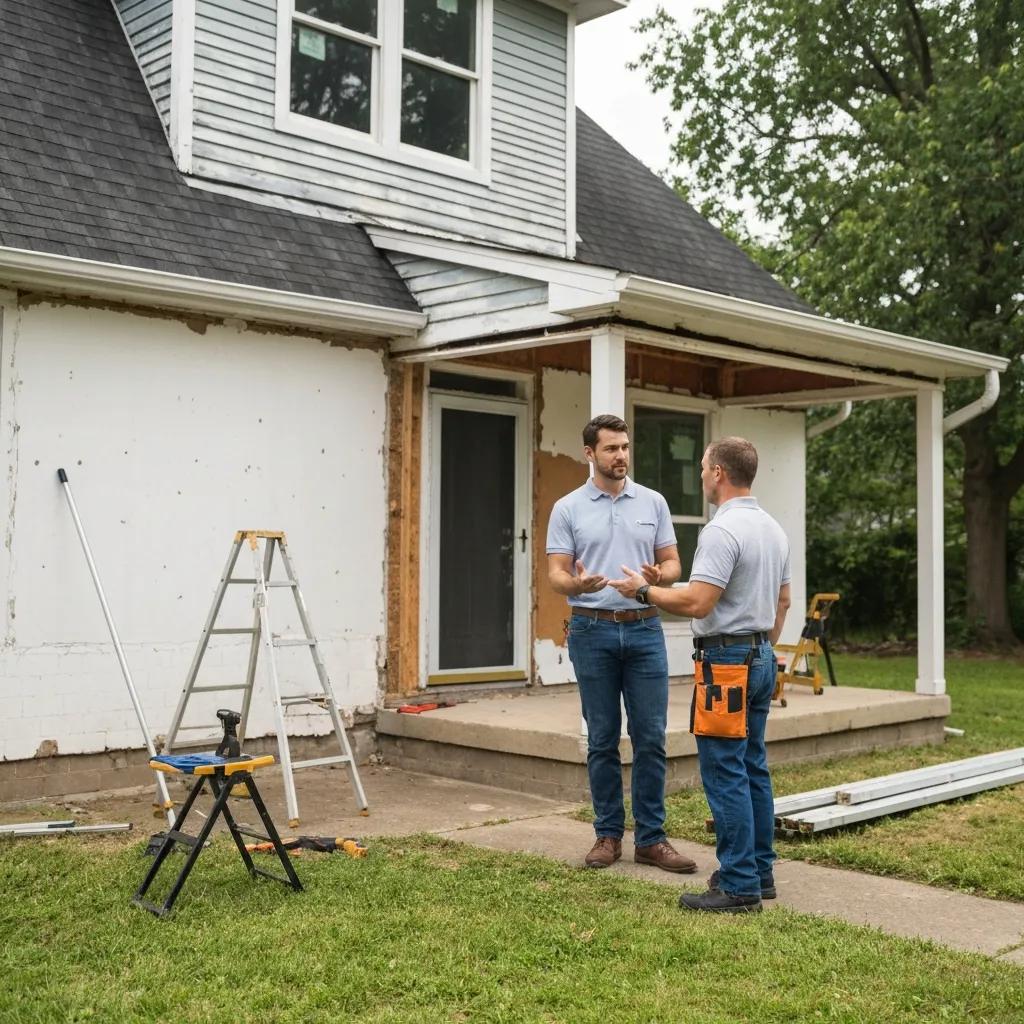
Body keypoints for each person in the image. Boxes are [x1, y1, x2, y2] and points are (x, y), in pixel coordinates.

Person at [609, 436, 791, 913]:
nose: (702, 475)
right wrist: (759, 645)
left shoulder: (721, 530)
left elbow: (698, 602)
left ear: (719, 473)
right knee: (752, 765)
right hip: (761, 656)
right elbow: (783, 601)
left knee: (724, 771)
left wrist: (643, 591)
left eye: (704, 467)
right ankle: (760, 871)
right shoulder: (772, 528)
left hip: (726, 665)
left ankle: (738, 885)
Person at [546, 413, 697, 874]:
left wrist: (658, 575)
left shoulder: (653, 502)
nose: (621, 456)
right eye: (611, 448)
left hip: (645, 629)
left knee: (651, 737)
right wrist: (577, 585)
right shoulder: (568, 508)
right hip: (591, 630)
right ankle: (608, 835)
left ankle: (651, 839)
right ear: (590, 453)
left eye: (625, 447)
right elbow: (556, 574)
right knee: (602, 738)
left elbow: (673, 563)